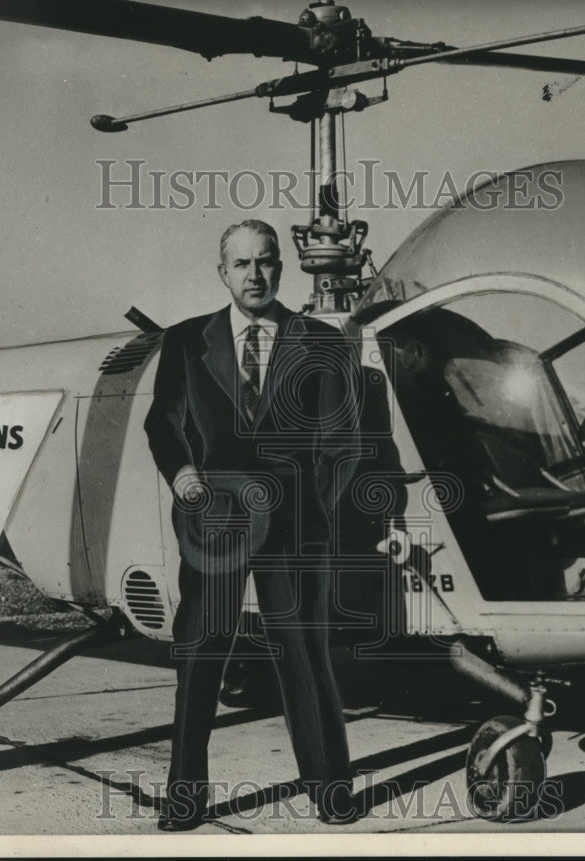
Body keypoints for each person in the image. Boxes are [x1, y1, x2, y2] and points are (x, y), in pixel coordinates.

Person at [144, 219, 360, 830]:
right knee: (199, 652)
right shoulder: (187, 341)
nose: (255, 275)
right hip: (215, 520)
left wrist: (307, 509)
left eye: (265, 262)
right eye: (242, 265)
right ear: (223, 274)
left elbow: (340, 441)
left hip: (295, 526)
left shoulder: (319, 340)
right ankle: (185, 796)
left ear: (281, 268)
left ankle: (330, 788)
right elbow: (164, 423)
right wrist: (184, 474)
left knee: (304, 654)